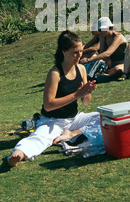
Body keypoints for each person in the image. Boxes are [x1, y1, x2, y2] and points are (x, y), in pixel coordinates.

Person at [8, 31, 98, 167]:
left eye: (81, 51)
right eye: (75, 52)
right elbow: (48, 105)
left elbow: (86, 103)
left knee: (104, 117)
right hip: (52, 121)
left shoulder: (81, 69)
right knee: (40, 138)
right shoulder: (55, 73)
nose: (79, 55)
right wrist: (76, 95)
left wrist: (86, 93)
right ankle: (19, 154)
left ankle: (71, 134)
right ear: (64, 51)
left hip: (74, 119)